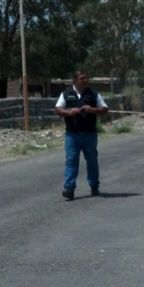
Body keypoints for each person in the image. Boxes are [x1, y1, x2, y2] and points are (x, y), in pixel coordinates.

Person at [54, 71, 109, 200]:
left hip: (89, 135)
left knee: (92, 161)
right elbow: (57, 109)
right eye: (82, 78)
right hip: (72, 135)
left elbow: (105, 109)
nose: (85, 80)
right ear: (75, 80)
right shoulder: (66, 94)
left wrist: (92, 110)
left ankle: (94, 186)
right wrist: (69, 113)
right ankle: (69, 188)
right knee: (71, 161)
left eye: (86, 78)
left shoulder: (93, 94)